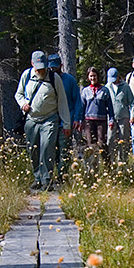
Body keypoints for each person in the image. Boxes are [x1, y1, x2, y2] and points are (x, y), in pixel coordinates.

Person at [15, 50, 71, 190]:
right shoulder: (26, 76)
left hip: (50, 119)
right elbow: (19, 94)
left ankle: (47, 180)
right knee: (33, 149)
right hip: (31, 119)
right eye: (38, 67)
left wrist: (66, 123)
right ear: (32, 64)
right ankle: (37, 178)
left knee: (47, 147)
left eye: (43, 67)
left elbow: (62, 101)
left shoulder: (54, 78)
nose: (41, 70)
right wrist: (23, 104)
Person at [48, 53, 81, 182]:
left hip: (66, 122)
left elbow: (77, 100)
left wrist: (77, 118)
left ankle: (63, 176)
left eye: (56, 67)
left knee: (64, 150)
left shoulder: (69, 80)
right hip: (51, 121)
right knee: (52, 150)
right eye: (51, 67)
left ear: (61, 66)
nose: (53, 70)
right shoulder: (47, 79)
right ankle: (52, 175)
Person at [79, 67, 115, 169]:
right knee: (90, 145)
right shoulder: (85, 91)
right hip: (88, 122)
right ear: (88, 77)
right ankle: (92, 169)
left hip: (101, 121)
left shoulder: (105, 90)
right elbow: (82, 107)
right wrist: (80, 121)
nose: (93, 78)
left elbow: (110, 107)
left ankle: (108, 167)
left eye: (94, 75)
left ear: (98, 77)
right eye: (91, 76)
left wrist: (111, 120)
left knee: (102, 144)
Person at [105, 67, 134, 165]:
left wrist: (132, 115)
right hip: (111, 118)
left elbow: (132, 102)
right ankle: (111, 161)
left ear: (118, 77)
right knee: (110, 139)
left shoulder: (125, 87)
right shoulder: (107, 87)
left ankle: (123, 161)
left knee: (124, 140)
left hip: (123, 117)